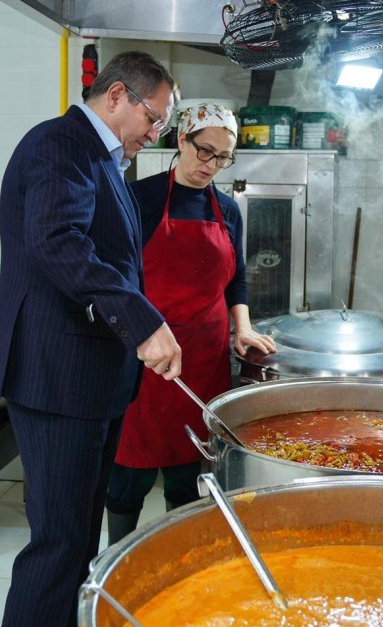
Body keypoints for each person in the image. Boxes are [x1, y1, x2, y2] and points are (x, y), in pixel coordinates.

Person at [0, 50, 183, 627]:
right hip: (56, 376)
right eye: (154, 118)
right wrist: (142, 321)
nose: (156, 133)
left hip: (89, 380)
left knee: (77, 540)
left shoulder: (104, 159)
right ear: (117, 95)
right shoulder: (59, 145)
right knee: (59, 546)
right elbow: (57, 241)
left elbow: (109, 258)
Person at [105, 102, 277, 544]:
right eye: (204, 151)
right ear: (181, 139)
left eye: (223, 158)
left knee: (188, 476)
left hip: (202, 361)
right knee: (128, 480)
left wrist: (243, 327)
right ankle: (115, 562)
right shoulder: (137, 199)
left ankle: (181, 562)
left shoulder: (227, 210)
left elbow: (236, 279)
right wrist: (136, 334)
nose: (211, 165)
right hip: (145, 359)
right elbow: (115, 278)